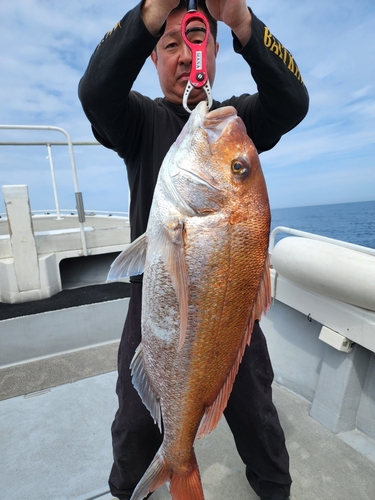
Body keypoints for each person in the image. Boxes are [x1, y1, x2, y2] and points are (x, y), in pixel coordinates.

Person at [79, 1, 309, 499]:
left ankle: (274, 490)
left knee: (260, 423)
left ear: (216, 50)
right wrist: (148, 12)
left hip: (228, 314)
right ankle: (137, 485)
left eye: (197, 40)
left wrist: (244, 21)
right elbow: (96, 92)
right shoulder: (138, 121)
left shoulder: (230, 126)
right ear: (152, 59)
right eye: (170, 44)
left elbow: (291, 102)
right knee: (135, 430)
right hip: (153, 305)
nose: (185, 55)